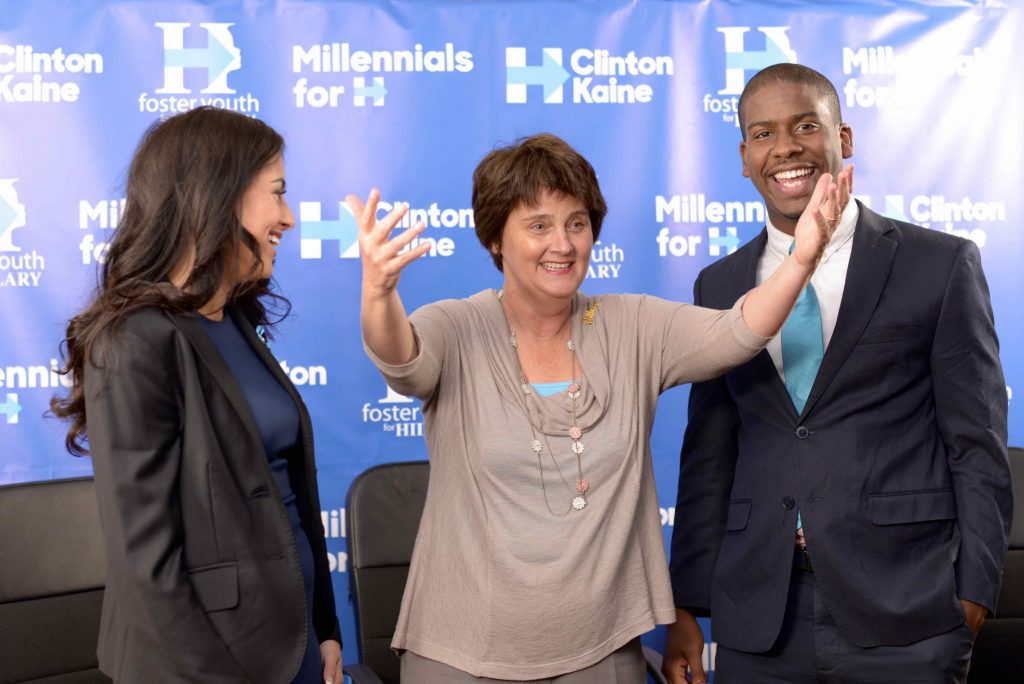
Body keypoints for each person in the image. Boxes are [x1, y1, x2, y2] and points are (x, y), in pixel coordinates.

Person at [353, 132, 850, 682]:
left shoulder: (631, 324)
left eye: (577, 222)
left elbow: (737, 331)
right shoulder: (457, 325)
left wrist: (801, 257)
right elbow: (403, 360)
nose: (562, 244)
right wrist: (378, 293)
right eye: (538, 225)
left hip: (603, 650)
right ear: (495, 238)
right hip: (460, 653)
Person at [663, 63, 1012, 684]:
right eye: (763, 134)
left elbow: (976, 444)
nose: (786, 148)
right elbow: (709, 457)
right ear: (745, 157)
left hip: (907, 612)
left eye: (804, 125)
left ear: (842, 138)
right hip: (759, 618)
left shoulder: (940, 263)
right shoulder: (717, 285)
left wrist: (975, 593)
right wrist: (689, 607)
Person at [51, 106, 342, 683]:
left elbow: (288, 499)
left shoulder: (232, 317)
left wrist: (325, 628)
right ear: (218, 196)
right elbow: (147, 565)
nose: (288, 217)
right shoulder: (133, 340)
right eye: (277, 194)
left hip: (292, 646)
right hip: (205, 667)